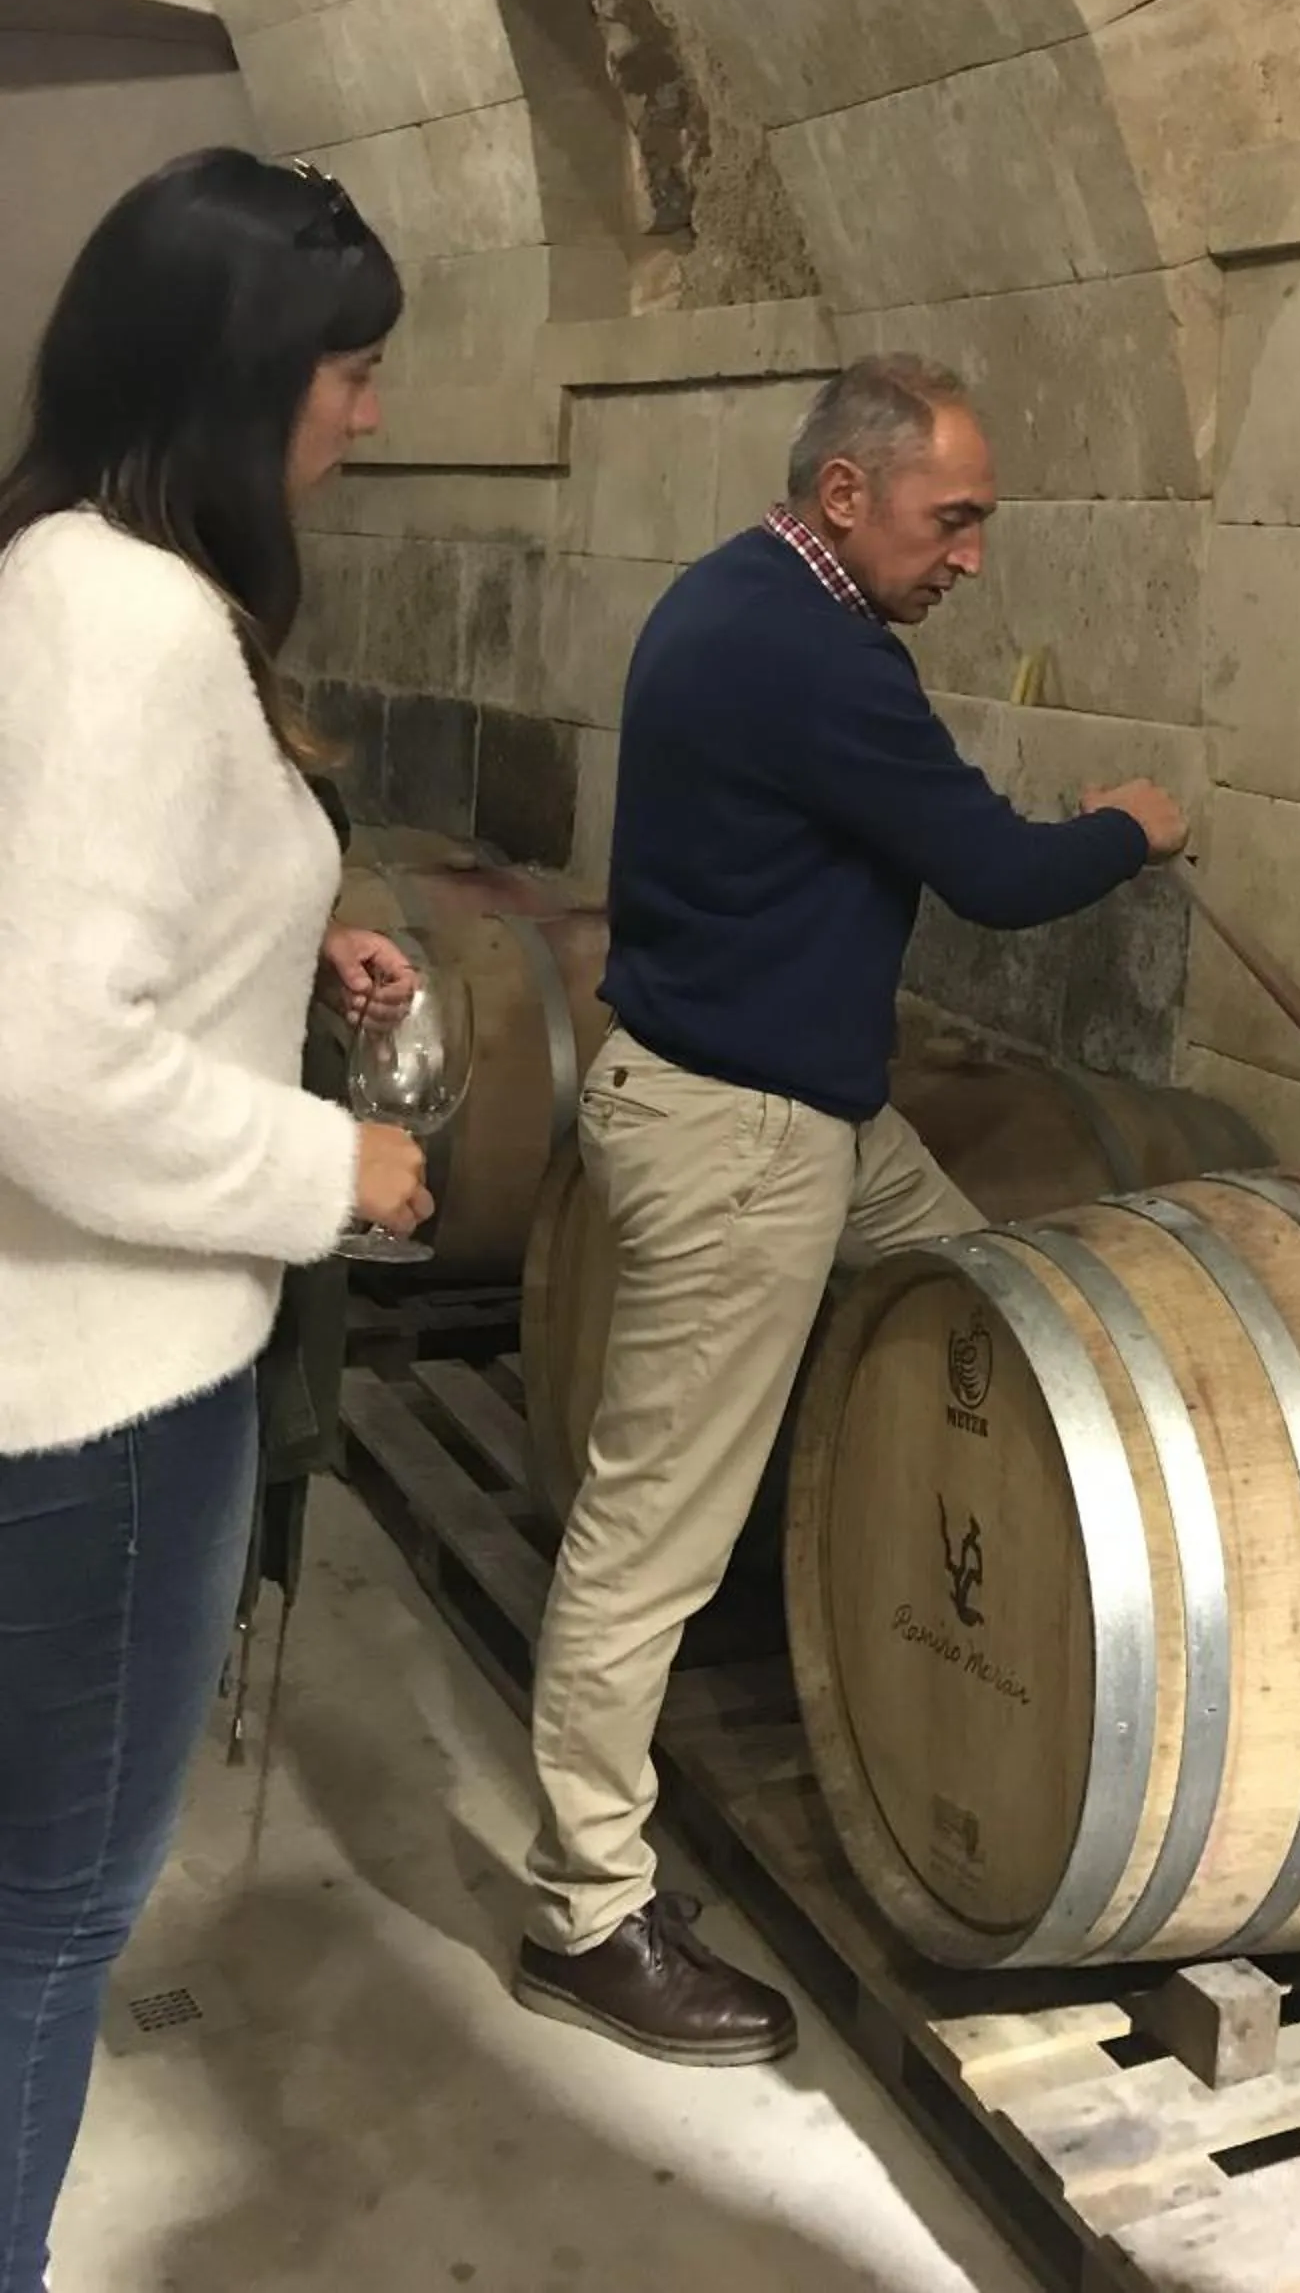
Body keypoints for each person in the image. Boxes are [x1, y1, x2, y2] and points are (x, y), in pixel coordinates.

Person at [517, 355, 1189, 2063]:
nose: (970, 556)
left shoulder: (733, 602)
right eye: (951, 518)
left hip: (797, 1105)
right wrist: (1130, 822)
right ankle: (585, 1913)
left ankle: (937, 1638)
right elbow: (999, 878)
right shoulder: (813, 658)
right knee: (649, 1536)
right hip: (745, 1140)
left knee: (994, 1312)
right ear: (845, 496)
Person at [0, 149, 433, 2293]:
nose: (365, 412)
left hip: (65, 1384)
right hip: (97, 1396)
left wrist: (299, 934)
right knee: (47, 1922)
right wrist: (323, 1166)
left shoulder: (63, 573)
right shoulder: (138, 620)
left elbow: (88, 930)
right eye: (349, 370)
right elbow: (53, 1069)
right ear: (243, 377)